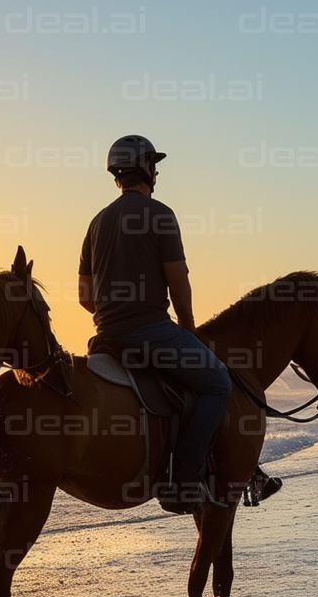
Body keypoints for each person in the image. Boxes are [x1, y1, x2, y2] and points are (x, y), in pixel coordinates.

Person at [78, 135, 233, 511]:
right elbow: (178, 283)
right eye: (154, 165)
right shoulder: (160, 213)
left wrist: (113, 311)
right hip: (151, 332)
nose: (157, 171)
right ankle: (183, 480)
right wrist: (188, 327)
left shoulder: (96, 223)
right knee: (217, 384)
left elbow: (85, 297)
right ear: (145, 168)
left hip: (105, 337)